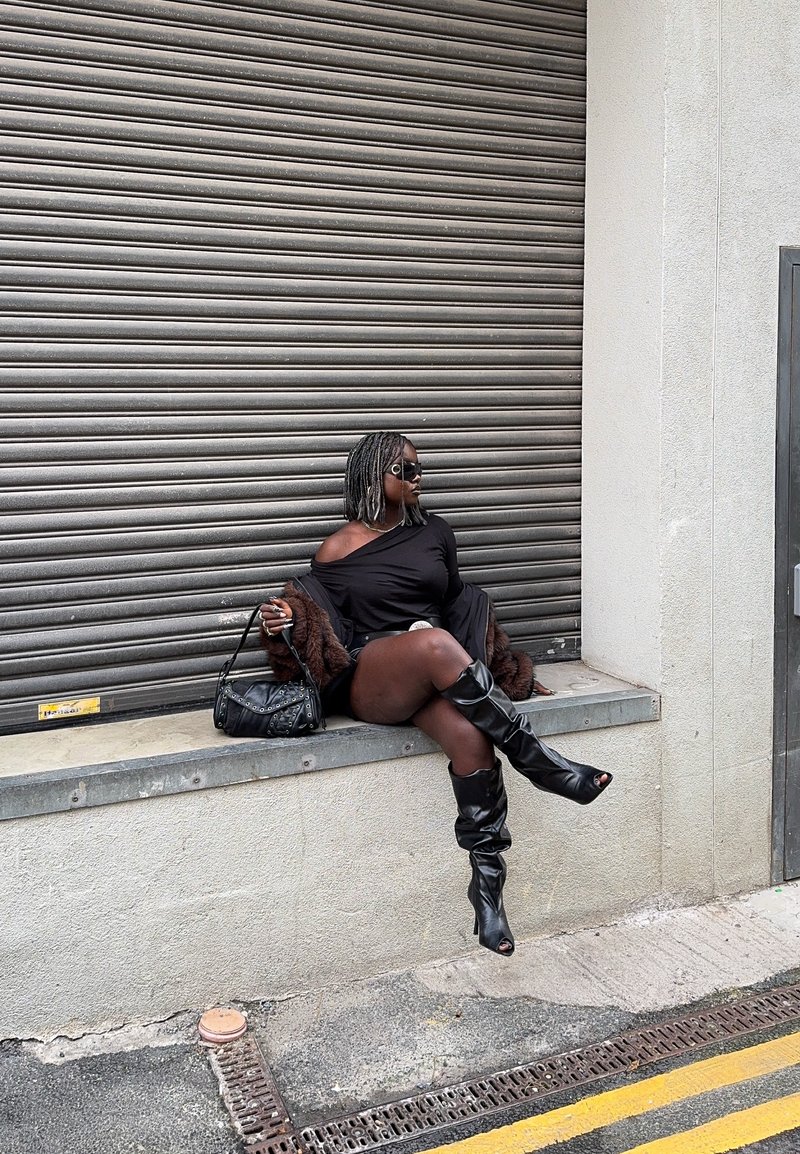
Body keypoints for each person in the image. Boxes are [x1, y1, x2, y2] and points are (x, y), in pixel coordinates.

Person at [259, 431, 612, 957]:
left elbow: (459, 610)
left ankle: (488, 893)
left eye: (419, 467)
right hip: (373, 677)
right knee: (431, 644)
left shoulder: (437, 534)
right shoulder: (337, 548)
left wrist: (502, 666)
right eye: (404, 470)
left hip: (435, 667)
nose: (417, 477)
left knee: (471, 738)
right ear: (373, 476)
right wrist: (288, 618)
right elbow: (323, 622)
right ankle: (544, 766)